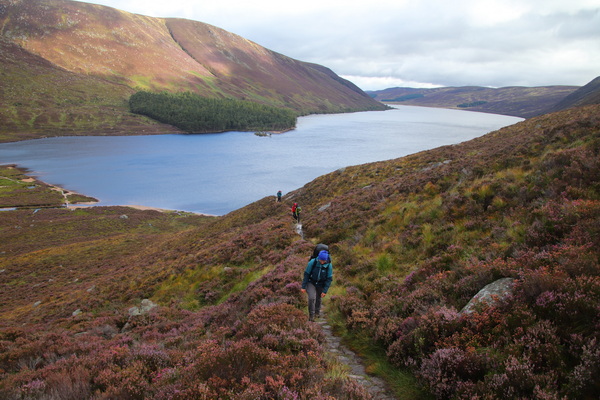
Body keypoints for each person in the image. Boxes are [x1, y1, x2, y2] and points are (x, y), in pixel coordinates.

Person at [301, 250, 333, 321]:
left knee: (318, 298)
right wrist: (303, 286)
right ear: (318, 258)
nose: (322, 262)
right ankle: (311, 316)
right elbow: (306, 274)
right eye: (321, 260)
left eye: (323, 261)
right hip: (311, 282)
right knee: (311, 298)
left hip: (321, 284)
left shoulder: (329, 265)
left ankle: (317, 313)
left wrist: (325, 291)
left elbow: (329, 279)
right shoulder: (313, 262)